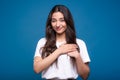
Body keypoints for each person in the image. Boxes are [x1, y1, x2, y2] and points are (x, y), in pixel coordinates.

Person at [33, 4, 91, 80]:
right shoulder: (42, 42)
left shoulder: (79, 43)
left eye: (62, 20)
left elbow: (85, 76)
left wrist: (78, 57)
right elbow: (37, 69)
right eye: (54, 21)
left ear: (68, 21)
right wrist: (59, 51)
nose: (57, 24)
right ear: (50, 23)